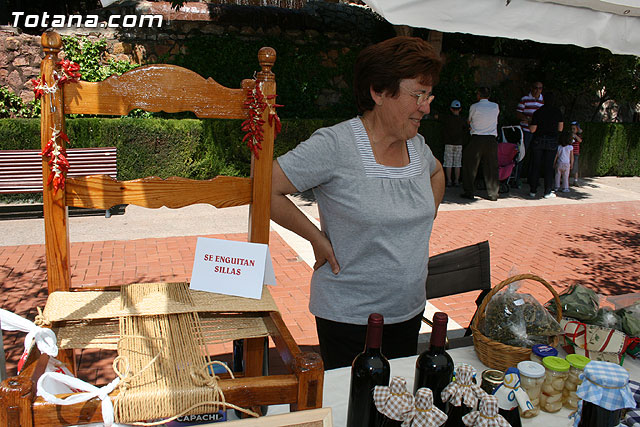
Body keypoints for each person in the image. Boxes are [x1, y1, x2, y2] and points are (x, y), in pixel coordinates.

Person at [270, 36, 445, 370]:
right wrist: (316, 238)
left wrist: (425, 214)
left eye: (429, 95)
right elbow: (266, 189)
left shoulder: (417, 146)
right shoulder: (336, 144)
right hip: (350, 317)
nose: (426, 106)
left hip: (409, 310)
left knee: (396, 405)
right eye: (417, 95)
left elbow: (437, 173)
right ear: (378, 91)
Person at [461, 87, 500, 201]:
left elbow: (469, 120)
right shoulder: (495, 106)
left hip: (477, 137)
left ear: (479, 95)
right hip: (491, 138)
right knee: (491, 166)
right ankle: (493, 193)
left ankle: (469, 191)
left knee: (470, 165)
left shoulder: (474, 106)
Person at [528, 91, 564, 198]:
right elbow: (560, 128)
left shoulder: (538, 112)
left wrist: (530, 123)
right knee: (549, 166)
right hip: (552, 140)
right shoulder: (557, 112)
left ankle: (533, 190)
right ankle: (547, 191)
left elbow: (533, 130)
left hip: (539, 139)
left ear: (543, 100)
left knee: (536, 165)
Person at [514, 81, 544, 187]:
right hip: (526, 131)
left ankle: (533, 178)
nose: (537, 90)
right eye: (535, 88)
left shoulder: (543, 101)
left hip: (538, 132)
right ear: (531, 88)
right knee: (522, 155)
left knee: (536, 156)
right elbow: (518, 113)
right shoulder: (525, 99)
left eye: (540, 88)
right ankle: (516, 178)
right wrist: (528, 119)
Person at [438, 99, 467, 187]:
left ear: (451, 109)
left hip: (448, 143)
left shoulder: (447, 118)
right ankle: (457, 181)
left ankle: (449, 181)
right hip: (459, 143)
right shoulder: (463, 120)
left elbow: (437, 117)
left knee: (448, 163)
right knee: (457, 163)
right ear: (460, 109)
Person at [570, 121, 583, 186]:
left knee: (575, 166)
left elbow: (580, 140)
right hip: (569, 153)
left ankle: (575, 180)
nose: (573, 130)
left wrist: (575, 136)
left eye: (574, 129)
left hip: (575, 153)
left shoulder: (578, 135)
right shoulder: (570, 135)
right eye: (572, 129)